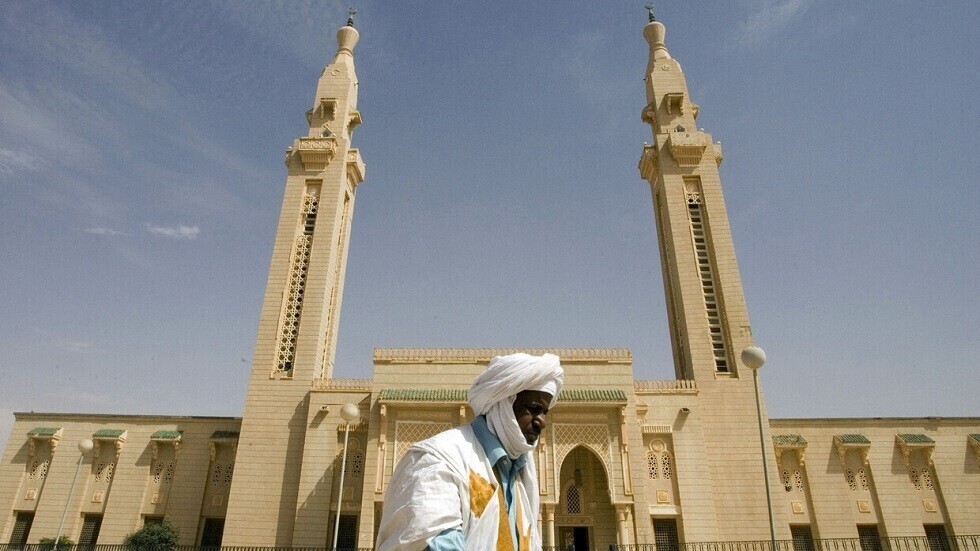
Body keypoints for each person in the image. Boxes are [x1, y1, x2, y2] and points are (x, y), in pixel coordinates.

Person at [377, 352, 564, 551]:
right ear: (504, 404)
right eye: (533, 409)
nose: (541, 422)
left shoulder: (520, 475)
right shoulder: (440, 460)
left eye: (544, 412)